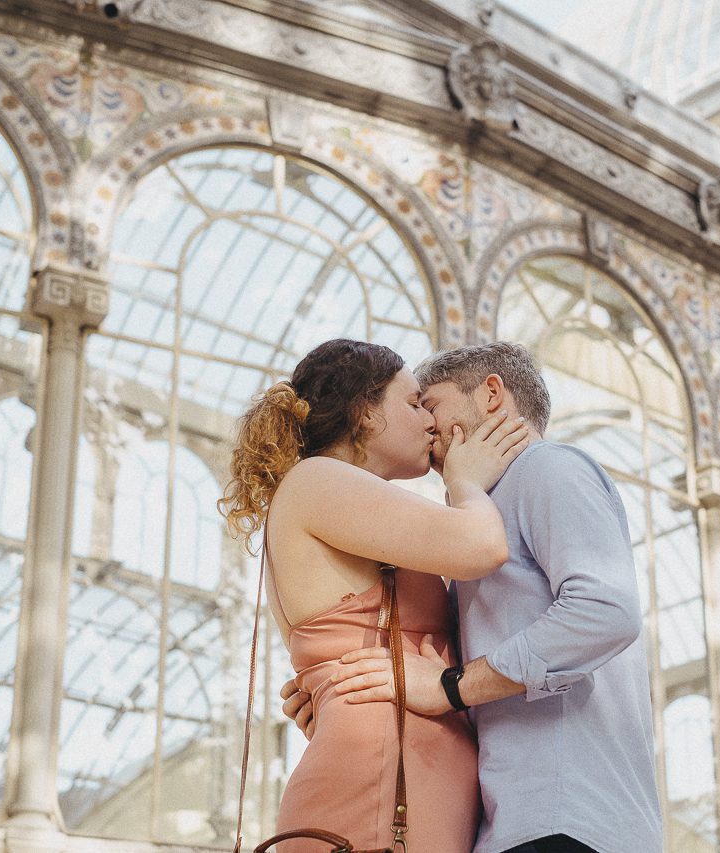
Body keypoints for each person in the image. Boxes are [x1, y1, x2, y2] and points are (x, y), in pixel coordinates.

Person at [284, 342, 663, 853]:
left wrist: (449, 686)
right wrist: (332, 684)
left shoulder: (548, 469)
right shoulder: (476, 512)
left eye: (431, 404)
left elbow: (606, 612)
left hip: (565, 814)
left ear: (490, 396)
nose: (426, 423)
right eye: (414, 406)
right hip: (504, 821)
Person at [219, 338, 530, 853]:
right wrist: (467, 483)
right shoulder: (318, 479)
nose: (430, 421)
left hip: (400, 793)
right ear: (364, 411)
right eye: (413, 404)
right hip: (378, 802)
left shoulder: (337, 498)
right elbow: (483, 546)